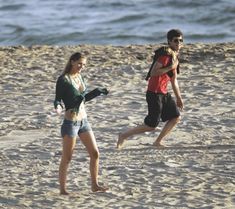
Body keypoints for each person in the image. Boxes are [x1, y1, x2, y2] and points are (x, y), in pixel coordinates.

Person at [117, 29, 184, 149]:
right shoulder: (165, 56)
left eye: (180, 41)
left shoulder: (174, 58)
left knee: (176, 117)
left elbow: (174, 80)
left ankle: (157, 142)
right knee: (151, 125)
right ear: (169, 41)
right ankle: (123, 135)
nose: (178, 43)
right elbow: (153, 72)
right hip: (154, 93)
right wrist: (170, 67)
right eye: (175, 41)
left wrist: (179, 98)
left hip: (164, 93)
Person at [54, 52, 108, 195]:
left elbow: (82, 99)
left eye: (83, 65)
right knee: (67, 157)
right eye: (79, 63)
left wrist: (97, 92)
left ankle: (95, 185)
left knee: (95, 153)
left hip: (84, 121)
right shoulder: (63, 79)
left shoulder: (80, 77)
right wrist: (58, 107)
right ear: (72, 62)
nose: (81, 67)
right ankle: (63, 189)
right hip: (70, 123)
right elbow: (58, 99)